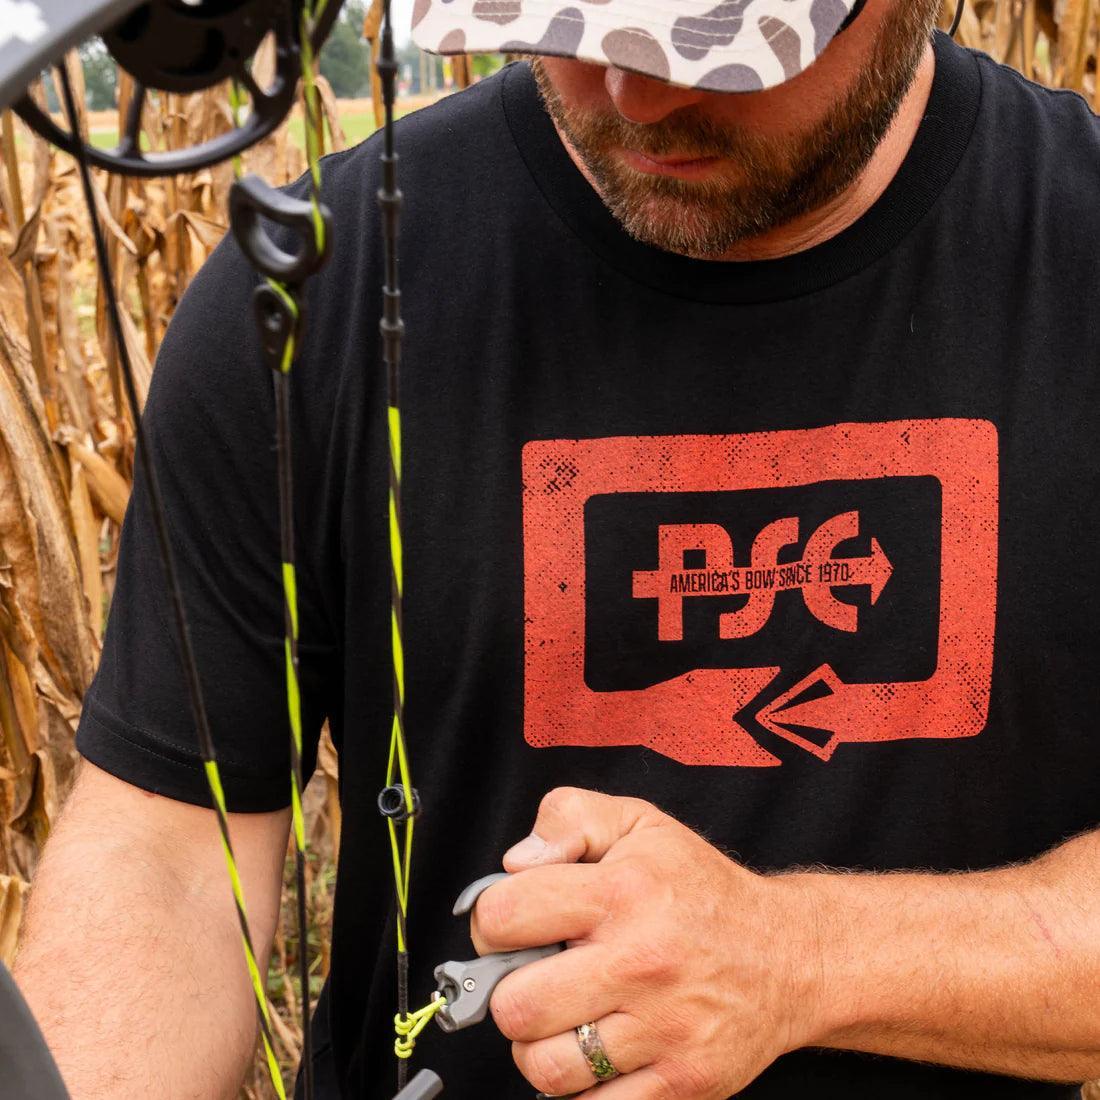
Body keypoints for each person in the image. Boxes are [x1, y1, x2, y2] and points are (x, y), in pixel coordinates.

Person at [13, 0, 1100, 1096]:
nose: (635, 93)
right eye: (576, 23)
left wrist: (797, 957)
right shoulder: (310, 285)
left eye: (718, 40)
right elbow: (170, 851)